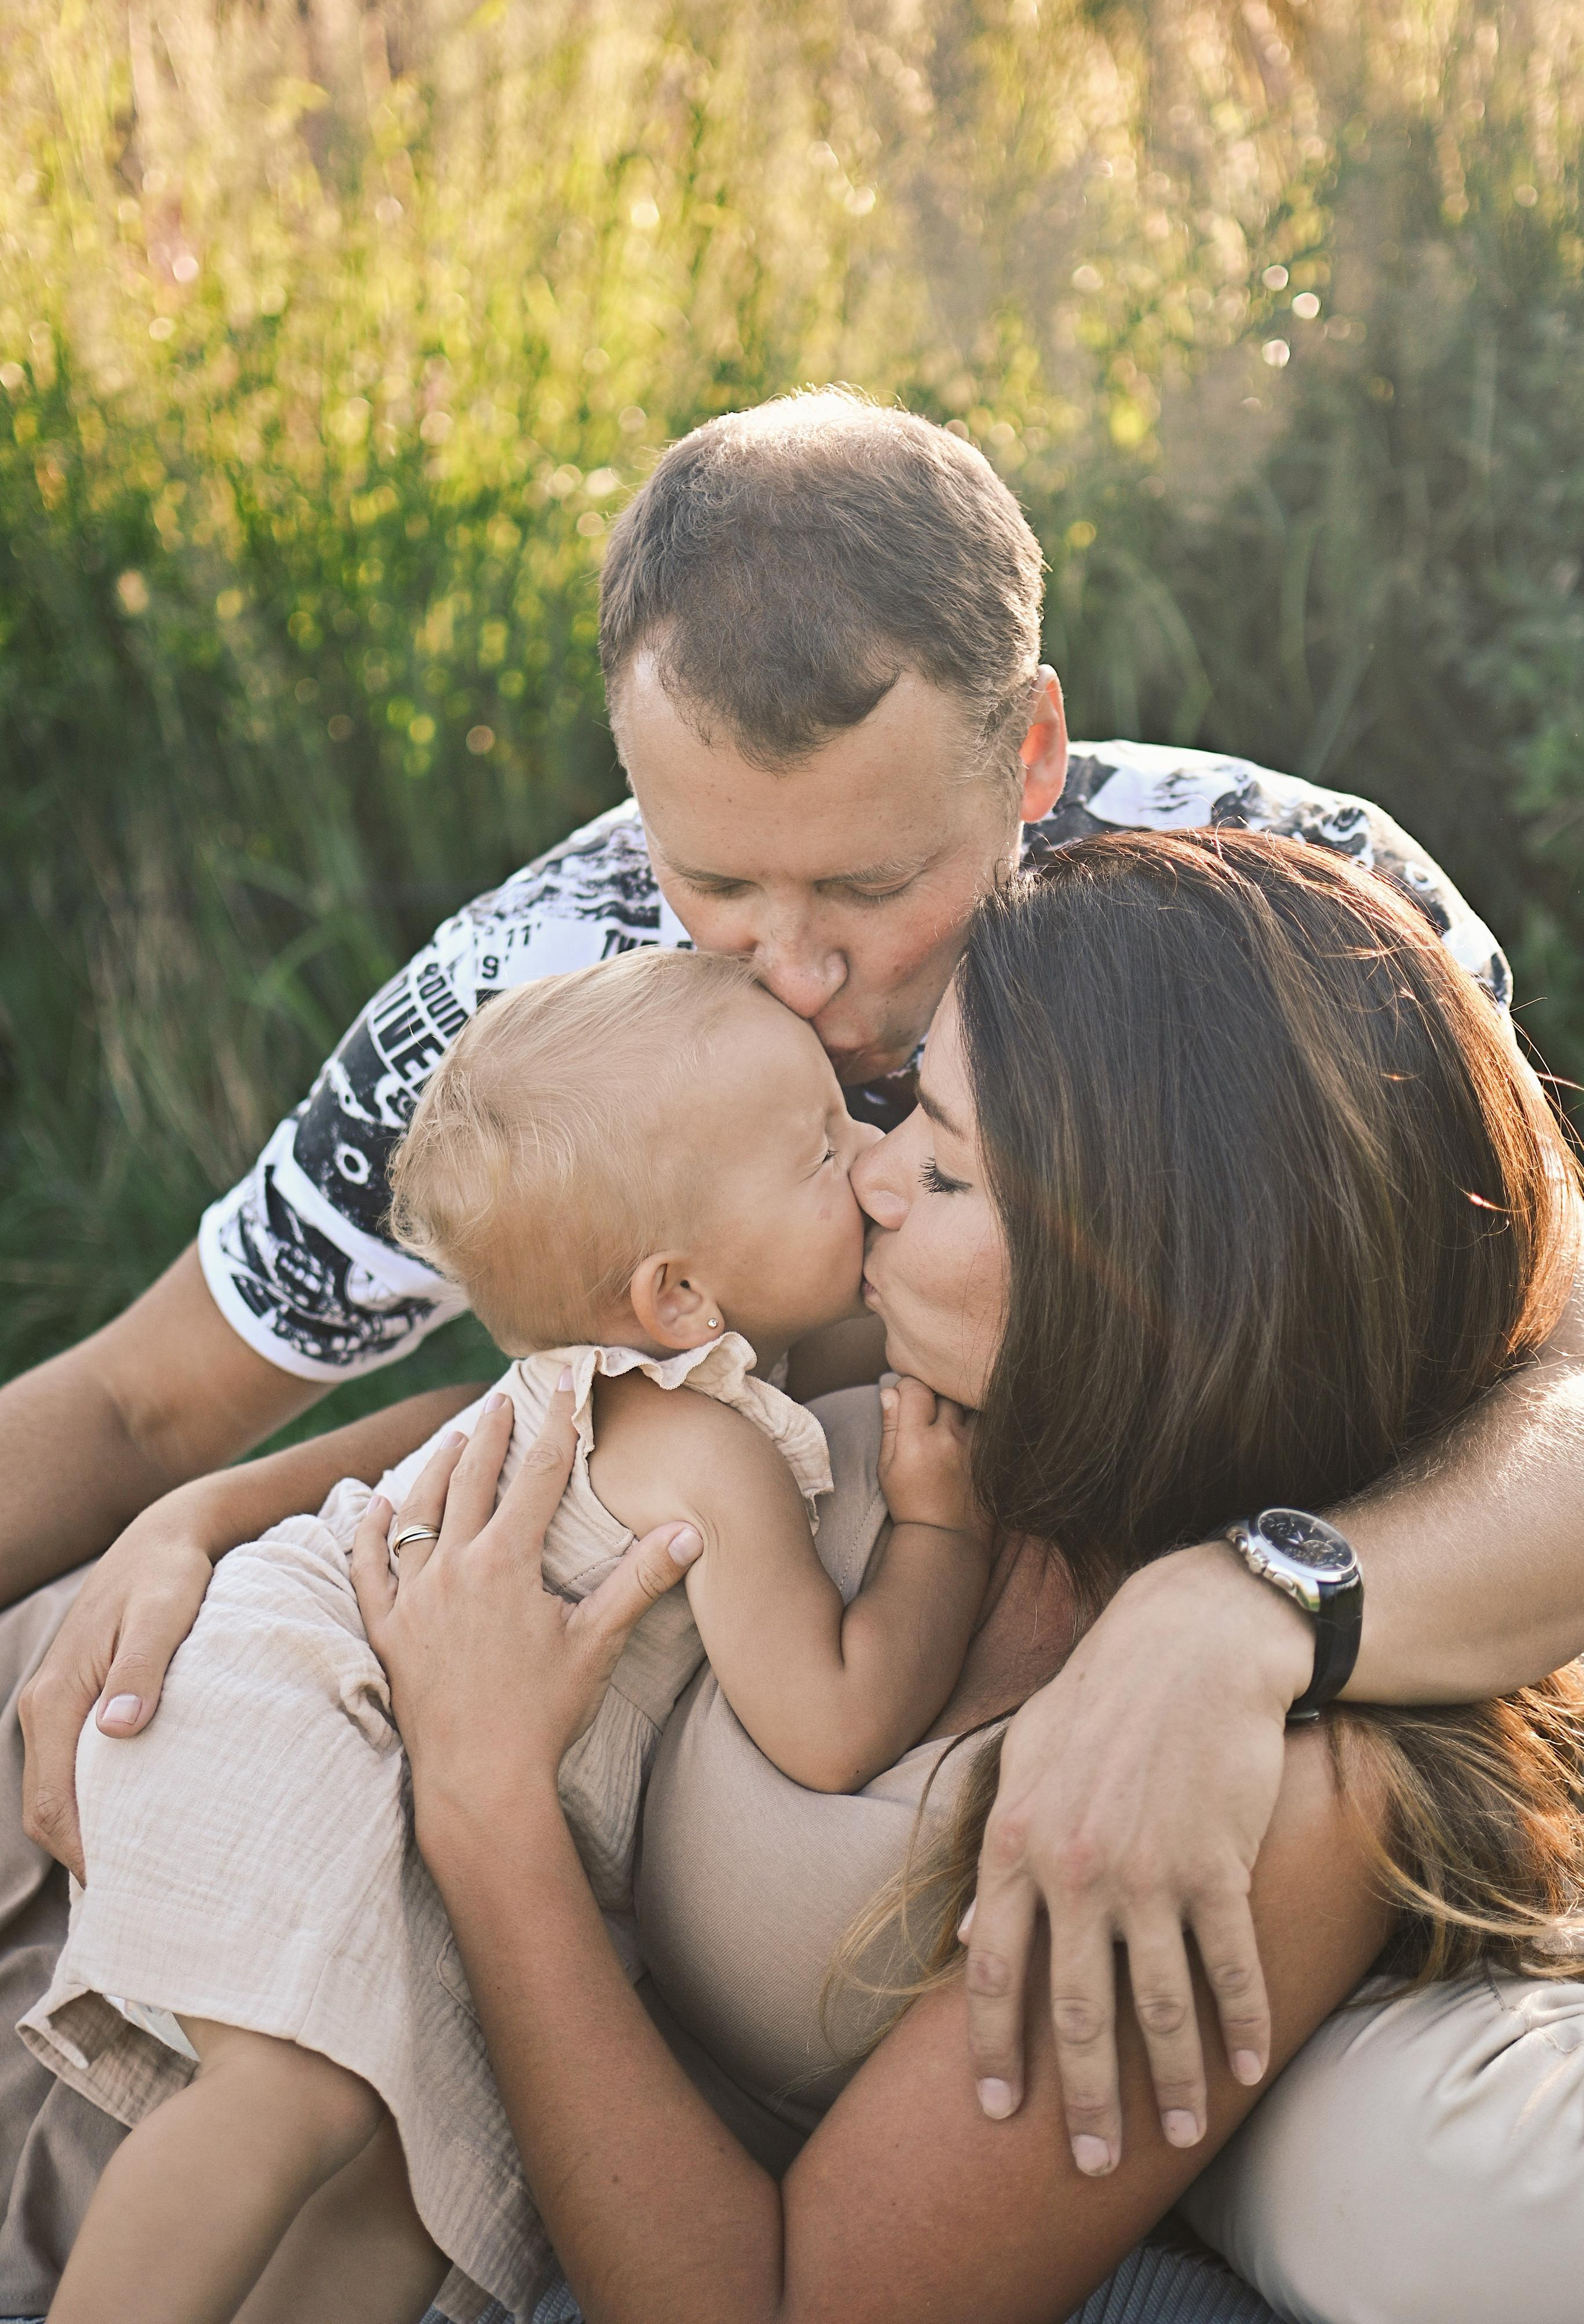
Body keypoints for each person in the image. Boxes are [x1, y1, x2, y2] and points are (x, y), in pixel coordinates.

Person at [3, 388, 1584, 2298]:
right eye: (717, 886)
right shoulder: (571, 994)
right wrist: (201, 1516)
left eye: (868, 888)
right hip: (257, 1733)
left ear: (1032, 755)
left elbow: (1536, 1367)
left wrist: (1255, 1613)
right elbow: (158, 1398)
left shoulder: (1286, 955)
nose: (798, 975)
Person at [340, 832, 1584, 2324]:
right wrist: (195, 1518)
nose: (867, 1177)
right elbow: (591, 1380)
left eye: (936, 1165)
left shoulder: (1247, 1791)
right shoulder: (947, 1391)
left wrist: (486, 1813)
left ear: (1144, 1285)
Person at [28, 947, 985, 2324]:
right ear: (676, 1298)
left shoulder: (698, 1369)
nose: (878, 1158)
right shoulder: (699, 1447)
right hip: (308, 1691)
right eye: (825, 1151)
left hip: (356, 1708)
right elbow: (832, 1727)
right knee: (292, 2095)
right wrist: (939, 1528)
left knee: (412, 2182)